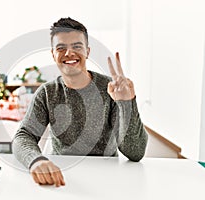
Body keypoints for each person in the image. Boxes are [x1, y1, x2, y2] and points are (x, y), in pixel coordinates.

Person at [12, 17, 148, 187]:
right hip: (63, 177)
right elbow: (23, 136)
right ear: (53, 54)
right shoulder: (47, 92)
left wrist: (127, 103)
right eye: (61, 48)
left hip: (109, 178)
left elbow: (135, 152)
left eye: (77, 46)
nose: (69, 53)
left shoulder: (110, 89)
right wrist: (36, 160)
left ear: (87, 52)